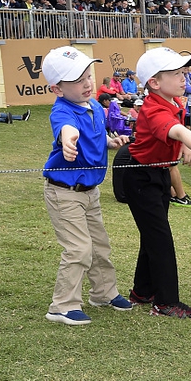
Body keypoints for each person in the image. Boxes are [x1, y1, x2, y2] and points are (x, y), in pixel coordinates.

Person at [119, 47, 191, 318]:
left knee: (153, 235)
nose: (183, 77)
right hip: (141, 177)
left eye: (183, 72)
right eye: (176, 74)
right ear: (154, 83)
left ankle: (142, 290)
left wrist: (185, 148)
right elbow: (174, 129)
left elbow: (174, 134)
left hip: (158, 175)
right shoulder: (154, 108)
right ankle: (165, 302)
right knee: (161, 239)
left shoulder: (174, 103)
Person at [39, 46, 132, 326]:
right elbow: (68, 130)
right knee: (78, 249)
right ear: (57, 89)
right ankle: (62, 306)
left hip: (91, 191)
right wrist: (68, 140)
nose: (87, 83)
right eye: (78, 80)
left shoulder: (94, 106)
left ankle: (103, 293)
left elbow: (95, 135)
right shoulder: (62, 112)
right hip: (64, 193)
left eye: (88, 76)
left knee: (100, 245)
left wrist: (109, 142)